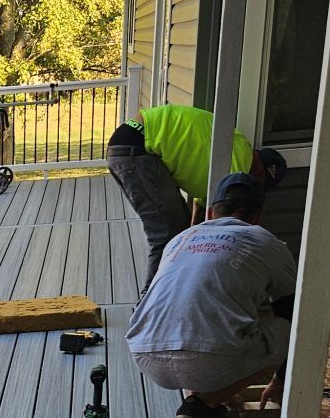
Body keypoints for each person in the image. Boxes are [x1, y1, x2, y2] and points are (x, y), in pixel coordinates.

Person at [125, 173, 297, 418]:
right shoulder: (265, 241)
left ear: (210, 213)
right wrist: (280, 380)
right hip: (208, 359)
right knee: (293, 328)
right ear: (256, 216)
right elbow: (292, 313)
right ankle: (204, 404)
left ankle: (202, 394)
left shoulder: (181, 239)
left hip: (145, 355)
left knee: (204, 324)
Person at [106, 104, 287, 283]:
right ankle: (150, 297)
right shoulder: (238, 166)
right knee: (166, 233)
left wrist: (191, 236)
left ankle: (173, 286)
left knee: (178, 230)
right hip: (140, 147)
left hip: (132, 140)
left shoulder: (236, 145)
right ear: (261, 172)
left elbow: (201, 209)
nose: (254, 185)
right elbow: (223, 226)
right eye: (260, 181)